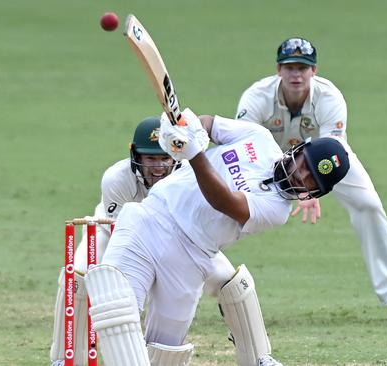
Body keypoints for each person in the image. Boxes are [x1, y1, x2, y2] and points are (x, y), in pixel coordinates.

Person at [82, 109, 350, 366]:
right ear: (299, 149)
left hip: (191, 258)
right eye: (304, 166)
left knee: (164, 353)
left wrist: (195, 153)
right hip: (151, 219)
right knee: (118, 307)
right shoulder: (259, 138)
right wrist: (188, 128)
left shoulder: (277, 210)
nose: (299, 176)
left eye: (311, 181)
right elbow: (209, 124)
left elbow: (223, 201)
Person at [49, 117, 276, 366]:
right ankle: (65, 359)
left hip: (180, 237)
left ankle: (259, 358)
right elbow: (123, 237)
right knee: (78, 275)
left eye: (164, 158)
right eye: (150, 159)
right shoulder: (117, 178)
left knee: (232, 282)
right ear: (136, 156)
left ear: (174, 155)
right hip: (111, 231)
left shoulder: (189, 172)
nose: (158, 167)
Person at [235, 37, 387, 321]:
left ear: (314, 71)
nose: (296, 74)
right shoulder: (256, 97)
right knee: (227, 206)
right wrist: (293, 185)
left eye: (303, 68)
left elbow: (331, 153)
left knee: (369, 204)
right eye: (290, 67)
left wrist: (309, 189)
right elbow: (244, 145)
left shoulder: (329, 98)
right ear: (278, 70)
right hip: (267, 159)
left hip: (321, 160)